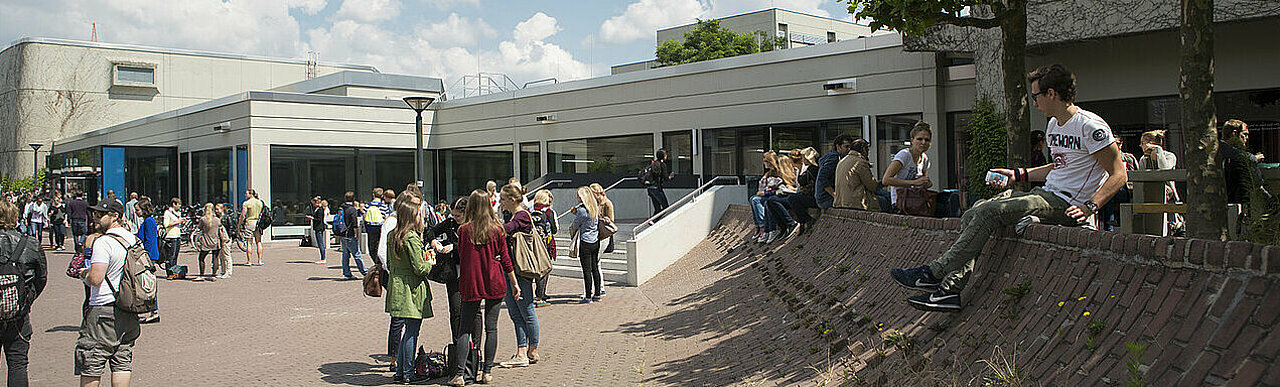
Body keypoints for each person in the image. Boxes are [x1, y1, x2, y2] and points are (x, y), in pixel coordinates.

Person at [889, 63, 1127, 312]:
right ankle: (948, 292)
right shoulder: (1054, 125)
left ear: (1051, 94)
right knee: (975, 211)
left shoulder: (1090, 126)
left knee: (989, 212)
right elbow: (1058, 167)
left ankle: (933, 273)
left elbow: (1118, 174)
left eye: (1035, 96)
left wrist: (1090, 206)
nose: (1034, 103)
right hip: (1045, 194)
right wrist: (1017, 174)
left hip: (1066, 203)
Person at [449, 189, 520, 386]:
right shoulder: (497, 229)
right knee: (492, 328)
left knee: (464, 328)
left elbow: (462, 257)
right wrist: (514, 282)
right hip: (494, 279)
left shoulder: (464, 230)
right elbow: (505, 259)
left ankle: (460, 374)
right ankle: (487, 371)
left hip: (471, 281)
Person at [75, 199, 142, 387]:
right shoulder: (133, 239)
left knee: (92, 360)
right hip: (128, 308)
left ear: (115, 217)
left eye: (100, 215)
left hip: (103, 308)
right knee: (122, 360)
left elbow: (96, 278)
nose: (95, 218)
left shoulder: (103, 242)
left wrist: (83, 273)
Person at [384, 192, 435, 384]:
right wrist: (431, 262)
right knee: (412, 331)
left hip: (397, 284)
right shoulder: (411, 237)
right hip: (411, 288)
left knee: (406, 329)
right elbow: (420, 268)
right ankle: (408, 373)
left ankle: (400, 372)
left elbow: (389, 263)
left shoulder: (393, 235)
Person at [0, 200, 48, 387]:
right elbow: (41, 278)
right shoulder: (31, 244)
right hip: (18, 313)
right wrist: (25, 299)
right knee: (17, 364)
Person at [497, 184, 540, 368]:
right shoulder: (513, 215)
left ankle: (532, 349)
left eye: (503, 199)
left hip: (521, 271)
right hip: (511, 269)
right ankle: (522, 350)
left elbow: (505, 230)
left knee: (527, 310)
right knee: (516, 313)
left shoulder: (521, 216)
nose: (501, 202)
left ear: (512, 200)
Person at [802, 135, 854, 225]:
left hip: (821, 197)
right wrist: (834, 195)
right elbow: (822, 177)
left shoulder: (829, 157)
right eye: (846, 146)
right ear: (838, 146)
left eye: (850, 147)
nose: (849, 149)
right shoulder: (834, 159)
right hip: (826, 198)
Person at [882, 121, 934, 209]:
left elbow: (922, 181)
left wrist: (926, 183)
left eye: (927, 140)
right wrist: (913, 183)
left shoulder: (925, 158)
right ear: (912, 140)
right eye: (919, 139)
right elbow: (886, 180)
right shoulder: (904, 155)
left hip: (917, 201)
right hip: (900, 202)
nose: (923, 142)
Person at [1220, 119, 1270, 205]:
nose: (1247, 138)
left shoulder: (1227, 153)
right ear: (1234, 134)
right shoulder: (1228, 152)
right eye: (1245, 134)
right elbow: (1256, 183)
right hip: (1234, 202)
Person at [132, 199, 162, 323]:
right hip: (149, 256)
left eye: (138, 210)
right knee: (146, 283)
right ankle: (151, 310)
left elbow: (149, 240)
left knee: (147, 284)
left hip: (148, 257)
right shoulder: (148, 221)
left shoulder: (149, 221)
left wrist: (146, 257)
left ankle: (154, 311)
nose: (136, 212)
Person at [571, 187, 602, 303]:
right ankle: (597, 293)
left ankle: (588, 296)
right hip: (595, 240)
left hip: (585, 241)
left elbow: (575, 225)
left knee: (586, 270)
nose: (577, 197)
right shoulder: (595, 208)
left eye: (578, 196)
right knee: (595, 268)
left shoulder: (582, 210)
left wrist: (575, 215)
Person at [781, 148, 820, 237]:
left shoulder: (813, 169)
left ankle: (806, 220)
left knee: (793, 199)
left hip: (814, 197)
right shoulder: (811, 168)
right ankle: (802, 223)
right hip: (811, 195)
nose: (802, 160)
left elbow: (802, 181)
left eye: (803, 157)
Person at [834, 139, 881, 211]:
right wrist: (882, 183)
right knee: (885, 200)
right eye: (867, 150)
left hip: (840, 202)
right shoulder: (860, 162)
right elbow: (872, 186)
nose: (868, 153)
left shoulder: (842, 161)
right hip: (855, 203)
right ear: (863, 150)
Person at [530, 190, 557, 307]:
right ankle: (540, 296)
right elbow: (554, 229)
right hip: (544, 245)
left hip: (532, 245)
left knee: (535, 270)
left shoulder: (530, 212)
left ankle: (538, 294)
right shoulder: (548, 213)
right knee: (544, 270)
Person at [751, 152, 784, 242]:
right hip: (769, 194)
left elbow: (780, 188)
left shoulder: (778, 172)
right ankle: (759, 226)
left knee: (757, 200)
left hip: (775, 195)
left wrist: (765, 193)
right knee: (753, 199)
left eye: (765, 160)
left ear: (770, 161)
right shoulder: (769, 173)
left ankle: (763, 226)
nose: (763, 162)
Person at [337, 192, 367, 279]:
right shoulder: (352, 210)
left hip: (342, 234)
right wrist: (356, 234)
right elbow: (354, 224)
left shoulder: (341, 208)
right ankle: (364, 272)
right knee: (357, 254)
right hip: (350, 234)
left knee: (345, 255)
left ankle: (346, 273)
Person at [194, 203, 227, 280]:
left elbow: (199, 228)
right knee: (215, 258)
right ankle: (214, 274)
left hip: (206, 242)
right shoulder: (217, 219)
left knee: (201, 258)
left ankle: (201, 275)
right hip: (215, 241)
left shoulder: (203, 219)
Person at [644, 149, 674, 217]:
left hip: (650, 189)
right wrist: (670, 177)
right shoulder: (662, 165)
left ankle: (653, 221)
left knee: (657, 209)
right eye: (665, 155)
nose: (666, 156)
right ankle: (654, 221)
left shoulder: (653, 164)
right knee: (665, 207)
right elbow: (666, 178)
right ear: (663, 156)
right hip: (657, 189)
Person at [239, 189, 265, 266]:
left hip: (250, 222)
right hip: (258, 223)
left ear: (251, 194)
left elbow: (243, 215)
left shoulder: (246, 203)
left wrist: (239, 224)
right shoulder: (260, 202)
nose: (245, 195)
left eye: (246, 193)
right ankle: (259, 260)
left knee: (249, 243)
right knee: (258, 242)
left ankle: (249, 261)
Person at [588, 183, 616, 253]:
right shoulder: (594, 203)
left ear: (596, 193)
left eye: (591, 194)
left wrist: (600, 218)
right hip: (595, 233)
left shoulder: (607, 203)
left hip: (604, 233)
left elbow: (611, 219)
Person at [161, 198, 186, 276]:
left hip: (177, 235)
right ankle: (169, 273)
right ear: (174, 204)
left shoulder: (178, 213)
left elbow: (178, 224)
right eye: (178, 204)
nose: (179, 206)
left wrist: (182, 223)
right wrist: (178, 222)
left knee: (175, 255)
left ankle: (174, 272)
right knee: (171, 256)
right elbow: (166, 224)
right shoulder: (168, 212)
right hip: (171, 236)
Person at [365, 188, 388, 262]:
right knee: (380, 246)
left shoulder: (367, 205)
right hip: (380, 228)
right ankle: (379, 262)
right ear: (382, 196)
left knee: (371, 247)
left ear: (373, 195)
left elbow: (364, 216)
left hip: (370, 228)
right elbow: (386, 217)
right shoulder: (384, 206)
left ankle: (375, 262)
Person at [305, 197, 330, 264]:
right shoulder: (317, 209)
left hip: (319, 227)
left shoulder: (320, 209)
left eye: (314, 203)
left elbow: (319, 219)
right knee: (319, 243)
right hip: (318, 227)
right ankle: (322, 258)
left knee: (320, 243)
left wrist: (312, 218)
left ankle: (323, 258)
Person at [213, 204, 233, 279]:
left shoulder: (226, 217)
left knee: (226, 255)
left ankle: (228, 271)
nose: (216, 211)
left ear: (222, 209)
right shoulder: (217, 218)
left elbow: (230, 227)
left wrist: (229, 237)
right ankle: (223, 271)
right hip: (220, 239)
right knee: (221, 256)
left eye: (218, 209)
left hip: (226, 239)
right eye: (216, 209)